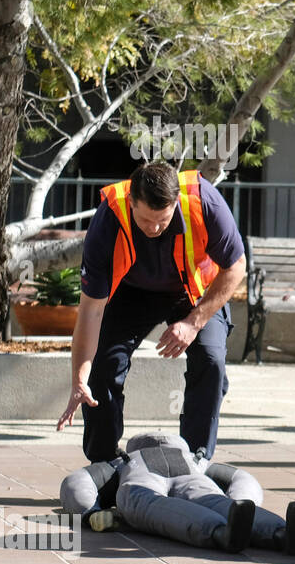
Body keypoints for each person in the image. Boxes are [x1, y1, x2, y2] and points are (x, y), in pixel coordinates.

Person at [57, 161, 247, 463]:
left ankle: (196, 457)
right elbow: (91, 311)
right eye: (146, 220)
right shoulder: (108, 220)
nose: (155, 228)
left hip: (193, 292)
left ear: (175, 203)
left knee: (211, 361)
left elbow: (236, 267)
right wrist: (80, 378)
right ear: (132, 202)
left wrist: (193, 322)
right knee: (104, 366)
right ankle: (104, 460)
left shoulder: (204, 201)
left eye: (163, 220)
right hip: (131, 291)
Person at [61, 433, 295, 555]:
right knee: (216, 501)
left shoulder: (122, 461)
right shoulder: (195, 459)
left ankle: (221, 533)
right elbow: (242, 478)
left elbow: (76, 482)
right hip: (194, 480)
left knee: (158, 508)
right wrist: (241, 501)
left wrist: (90, 512)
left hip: (140, 486)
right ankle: (282, 532)